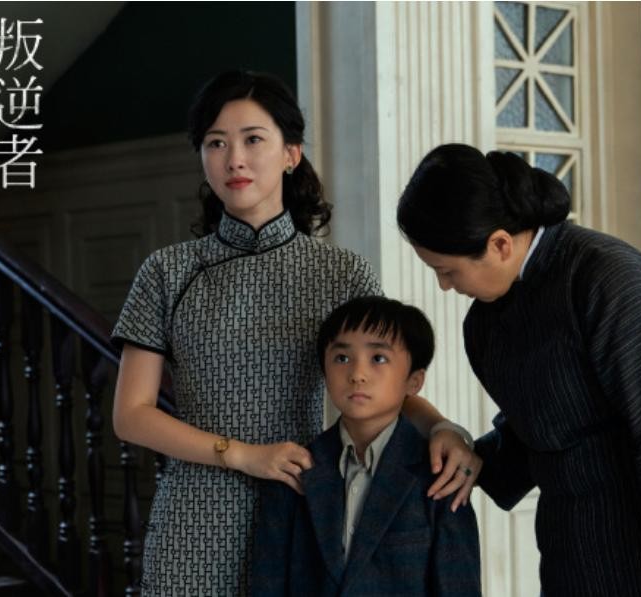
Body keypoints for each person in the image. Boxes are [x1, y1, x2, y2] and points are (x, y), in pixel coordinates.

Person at [110, 72, 476, 596]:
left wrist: (444, 428)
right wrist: (242, 454)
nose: (234, 159)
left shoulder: (341, 273)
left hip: (307, 510)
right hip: (193, 521)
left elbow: (383, 382)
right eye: (216, 143)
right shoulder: (167, 272)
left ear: (291, 153)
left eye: (253, 139)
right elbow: (131, 415)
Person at [396, 143, 641, 597]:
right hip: (576, 553)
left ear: (500, 244)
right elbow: (537, 436)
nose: (445, 286)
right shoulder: (484, 323)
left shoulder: (609, 278)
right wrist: (457, 444)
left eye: (447, 271)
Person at [251, 296, 482, 596]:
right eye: (342, 358)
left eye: (378, 358)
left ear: (414, 381)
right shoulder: (293, 471)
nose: (357, 374)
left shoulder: (441, 475)